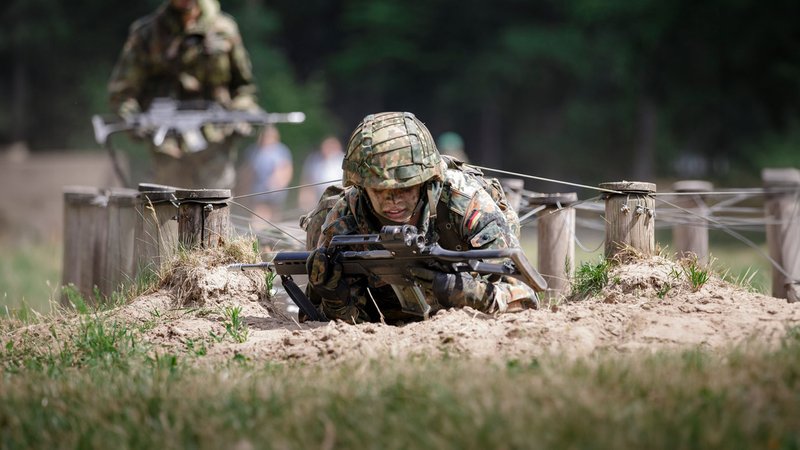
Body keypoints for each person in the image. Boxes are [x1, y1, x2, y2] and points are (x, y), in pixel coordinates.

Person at [305, 111, 538, 323]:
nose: (393, 201)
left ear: (426, 182)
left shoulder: (465, 203)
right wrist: (334, 297)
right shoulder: (344, 218)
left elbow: (526, 298)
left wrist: (466, 292)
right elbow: (322, 319)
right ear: (362, 187)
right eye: (379, 191)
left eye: (404, 189)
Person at [107, 0, 259, 189]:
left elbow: (244, 89)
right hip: (167, 147)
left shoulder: (224, 30)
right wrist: (135, 121)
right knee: (169, 212)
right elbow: (122, 92)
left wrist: (241, 114)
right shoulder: (147, 33)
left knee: (215, 207)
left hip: (215, 144)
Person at [247, 126, 293, 222]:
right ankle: (258, 234)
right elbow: (248, 171)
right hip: (258, 190)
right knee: (259, 213)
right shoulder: (254, 151)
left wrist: (277, 183)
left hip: (275, 191)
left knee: (274, 216)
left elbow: (286, 169)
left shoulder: (281, 150)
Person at [298, 135, 345, 211]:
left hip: (339, 197)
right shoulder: (315, 160)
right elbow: (307, 179)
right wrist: (304, 195)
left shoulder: (342, 160)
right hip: (319, 197)